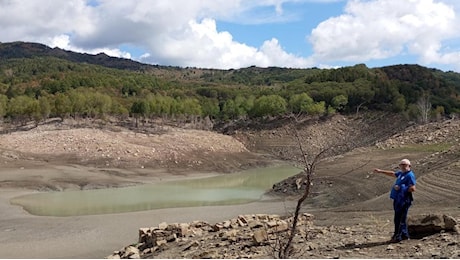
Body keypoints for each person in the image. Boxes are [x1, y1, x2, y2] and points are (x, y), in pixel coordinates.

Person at [373, 158, 416, 243]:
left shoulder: (410, 175)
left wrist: (401, 188)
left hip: (404, 199)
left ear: (409, 166)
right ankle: (404, 235)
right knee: (399, 217)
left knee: (399, 218)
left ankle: (397, 236)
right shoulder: (402, 173)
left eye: (405, 165)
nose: (403, 167)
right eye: (401, 165)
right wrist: (380, 171)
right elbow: (393, 174)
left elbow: (413, 188)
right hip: (398, 199)